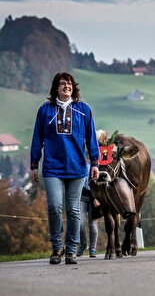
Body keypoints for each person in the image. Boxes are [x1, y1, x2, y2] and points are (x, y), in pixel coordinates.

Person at [30, 72, 100, 265]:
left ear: (73, 87)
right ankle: (56, 248)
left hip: (77, 168)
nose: (66, 86)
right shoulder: (45, 111)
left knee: (73, 210)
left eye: (69, 84)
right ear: (56, 88)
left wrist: (95, 163)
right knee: (54, 207)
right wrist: (34, 164)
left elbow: (91, 139)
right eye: (62, 84)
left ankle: (71, 250)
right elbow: (37, 138)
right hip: (53, 167)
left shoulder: (83, 110)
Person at [77, 162, 101, 258]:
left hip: (94, 196)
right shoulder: (79, 158)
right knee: (80, 223)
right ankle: (83, 245)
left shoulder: (96, 162)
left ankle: (93, 248)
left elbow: (102, 180)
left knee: (93, 225)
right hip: (81, 195)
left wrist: (98, 197)